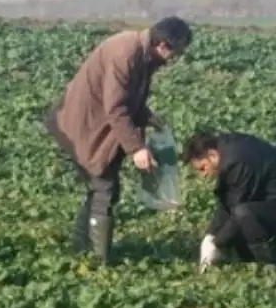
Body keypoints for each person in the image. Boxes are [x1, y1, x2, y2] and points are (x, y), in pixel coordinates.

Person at [45, 17, 193, 264]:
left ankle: (83, 248)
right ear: (163, 45)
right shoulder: (125, 54)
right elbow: (116, 107)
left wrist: (147, 117)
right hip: (84, 127)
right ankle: (98, 260)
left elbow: (128, 97)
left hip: (98, 126)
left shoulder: (143, 54)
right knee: (104, 187)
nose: (172, 60)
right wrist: (137, 148)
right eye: (174, 53)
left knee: (99, 188)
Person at [181, 130, 276, 283]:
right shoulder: (231, 150)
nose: (203, 176)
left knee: (245, 216)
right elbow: (228, 202)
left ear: (212, 155)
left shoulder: (237, 161)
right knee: (239, 235)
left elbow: (237, 211)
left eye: (202, 168)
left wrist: (217, 244)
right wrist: (211, 235)